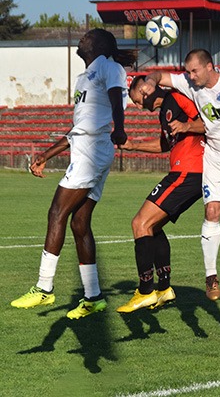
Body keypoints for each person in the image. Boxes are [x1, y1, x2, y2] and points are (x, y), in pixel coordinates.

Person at [11, 29, 136, 319]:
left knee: (57, 212)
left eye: (88, 36)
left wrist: (120, 126)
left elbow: (117, 96)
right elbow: (77, 129)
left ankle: (43, 288)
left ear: (100, 45)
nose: (82, 38)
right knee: (79, 224)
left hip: (93, 150)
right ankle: (93, 297)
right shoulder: (84, 78)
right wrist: (46, 154)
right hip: (85, 148)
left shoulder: (108, 65)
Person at [139, 49, 220, 310]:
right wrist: (151, 80)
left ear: (210, 66)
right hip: (214, 157)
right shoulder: (190, 83)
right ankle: (211, 277)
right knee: (212, 211)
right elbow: (161, 75)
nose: (190, 76)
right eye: (188, 71)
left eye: (195, 71)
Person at [116, 75, 206, 313]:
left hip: (189, 172)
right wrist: (134, 146)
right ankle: (164, 288)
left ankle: (145, 291)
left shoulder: (176, 97)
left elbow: (209, 122)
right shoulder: (164, 110)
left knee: (140, 223)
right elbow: (166, 145)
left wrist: (188, 126)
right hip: (185, 172)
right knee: (153, 227)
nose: (136, 105)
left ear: (144, 90)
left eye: (135, 99)